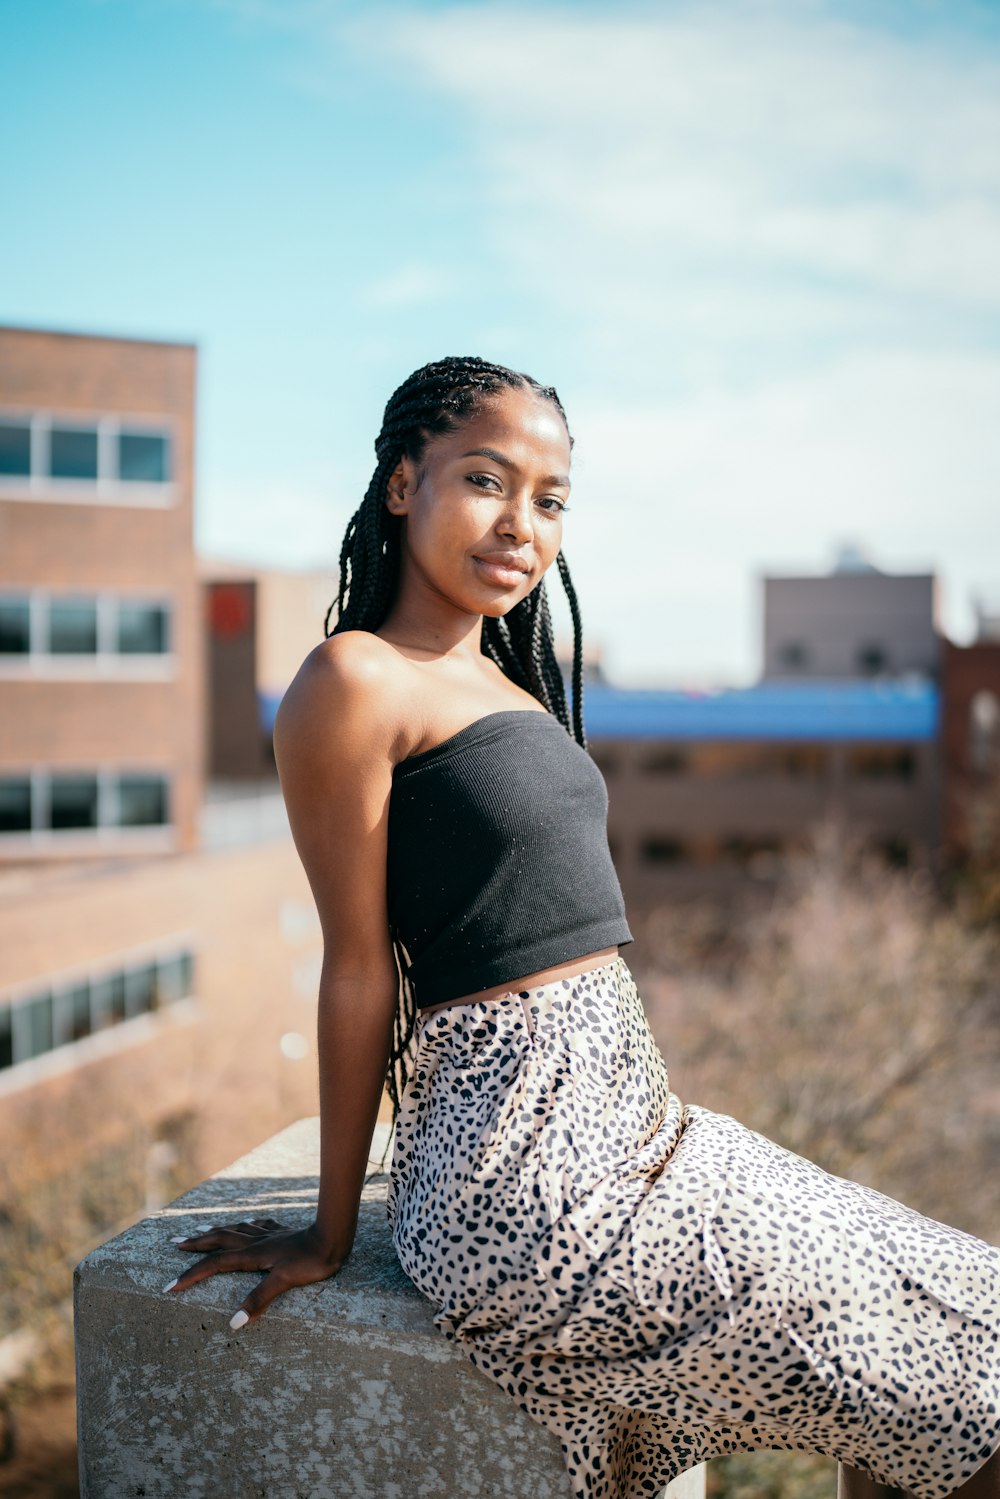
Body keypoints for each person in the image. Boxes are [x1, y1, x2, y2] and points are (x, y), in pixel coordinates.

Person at [165, 356, 1000, 1499]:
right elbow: (357, 967)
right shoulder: (354, 680)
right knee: (960, 1381)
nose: (521, 524)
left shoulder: (514, 687)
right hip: (528, 1189)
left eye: (549, 499)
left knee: (951, 1316)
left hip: (644, 1142)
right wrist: (326, 1228)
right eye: (485, 480)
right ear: (403, 482)